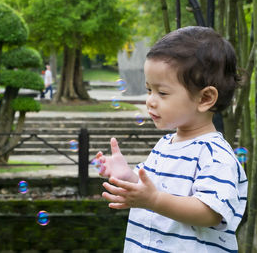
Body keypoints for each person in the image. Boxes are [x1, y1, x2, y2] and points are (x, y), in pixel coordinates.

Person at [97, 26, 248, 252]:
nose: (150, 101)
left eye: (162, 93)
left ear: (205, 98)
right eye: (149, 90)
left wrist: (154, 201)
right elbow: (150, 189)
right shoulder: (164, 145)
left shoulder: (215, 155)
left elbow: (210, 212)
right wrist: (126, 176)